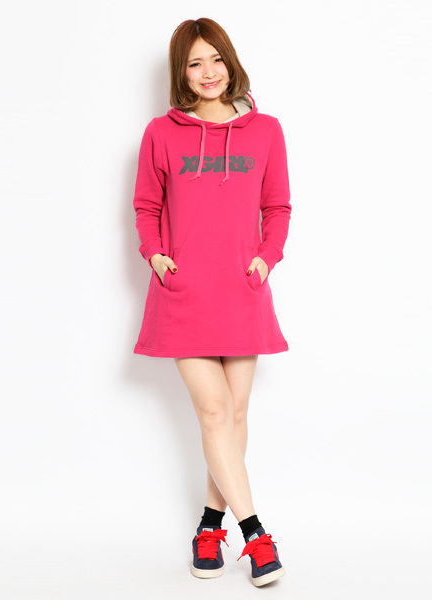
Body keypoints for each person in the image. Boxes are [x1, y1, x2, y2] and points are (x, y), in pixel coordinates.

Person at [132, 17, 292, 587]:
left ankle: (208, 525)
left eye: (216, 59)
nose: (208, 72)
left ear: (231, 61)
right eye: (194, 63)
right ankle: (255, 533)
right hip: (185, 292)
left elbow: (278, 207)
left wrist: (266, 259)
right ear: (181, 72)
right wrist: (156, 256)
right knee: (215, 412)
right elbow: (146, 206)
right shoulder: (161, 133)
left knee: (235, 415)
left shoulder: (266, 130)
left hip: (242, 289)